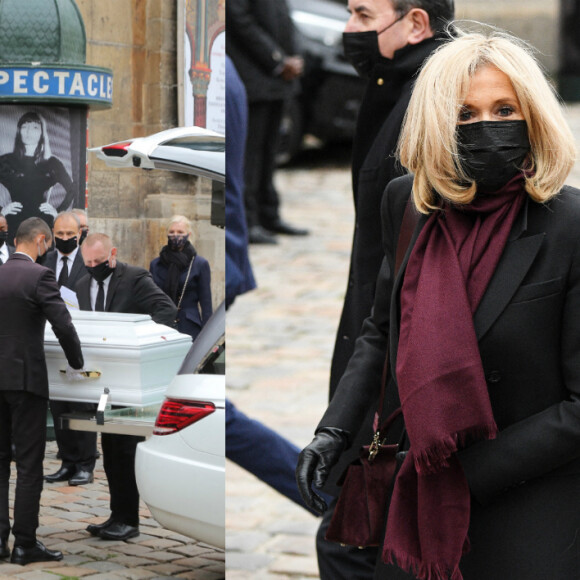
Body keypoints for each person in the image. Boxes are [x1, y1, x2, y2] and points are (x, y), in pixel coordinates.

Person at [297, 29, 580, 580]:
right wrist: (335, 430)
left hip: (533, 503)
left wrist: (464, 474)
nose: (486, 127)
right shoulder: (407, 205)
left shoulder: (570, 225)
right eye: (465, 114)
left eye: (504, 109)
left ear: (534, 116)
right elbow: (383, 331)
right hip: (417, 496)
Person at [319, 1, 454, 577]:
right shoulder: (394, 84)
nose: (348, 29)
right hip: (372, 350)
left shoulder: (433, 98)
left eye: (362, 14)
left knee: (351, 544)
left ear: (415, 23)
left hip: (396, 374)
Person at [75, 233, 177, 541]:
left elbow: (166, 310)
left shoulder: (134, 278)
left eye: (98, 262)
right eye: (88, 263)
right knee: (109, 448)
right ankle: (116, 515)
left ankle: (129, 519)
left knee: (125, 449)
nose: (93, 267)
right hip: (103, 385)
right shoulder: (82, 285)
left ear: (112, 254)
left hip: (130, 381)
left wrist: (139, 345)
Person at [0, 217, 85, 565]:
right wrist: (78, 363)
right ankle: (25, 543)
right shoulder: (39, 276)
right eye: (47, 244)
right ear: (39, 240)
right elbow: (63, 323)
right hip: (26, 381)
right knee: (30, 465)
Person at [226, 0, 309, 244]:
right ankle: (248, 221)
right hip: (253, 77)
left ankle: (268, 214)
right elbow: (241, 23)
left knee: (269, 153)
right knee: (250, 157)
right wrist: (277, 60)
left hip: (278, 81)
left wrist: (295, 56)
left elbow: (286, 20)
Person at [43, 211, 96, 487]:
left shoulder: (88, 261)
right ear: (53, 233)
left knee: (84, 403)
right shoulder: (47, 260)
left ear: (79, 234)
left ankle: (86, 463)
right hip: (52, 340)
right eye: (59, 234)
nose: (64, 239)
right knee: (60, 402)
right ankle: (67, 461)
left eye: (69, 235)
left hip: (82, 339)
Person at [0, 112, 76, 244]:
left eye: (35, 127)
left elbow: (72, 189)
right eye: (24, 126)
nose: (29, 131)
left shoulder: (52, 163)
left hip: (43, 224)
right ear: (19, 131)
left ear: (42, 133)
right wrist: (2, 211)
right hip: (13, 225)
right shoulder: (6, 160)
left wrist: (57, 212)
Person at [150, 215, 212, 340]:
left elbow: (206, 304)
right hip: (161, 325)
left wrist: (208, 336)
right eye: (172, 232)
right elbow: (151, 298)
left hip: (189, 326)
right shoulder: (156, 264)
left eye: (180, 232)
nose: (175, 235)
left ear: (188, 234)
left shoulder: (199, 264)